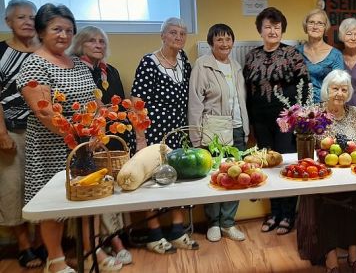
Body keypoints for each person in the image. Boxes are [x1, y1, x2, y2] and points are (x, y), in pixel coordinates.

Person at [18, 4, 121, 273]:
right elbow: (45, 113)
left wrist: (98, 130)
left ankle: (91, 251)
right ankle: (56, 260)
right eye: (56, 29)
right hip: (51, 146)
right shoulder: (34, 64)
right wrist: (77, 136)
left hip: (84, 146)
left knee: (90, 197)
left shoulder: (77, 63)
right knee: (54, 204)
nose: (63, 35)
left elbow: (93, 101)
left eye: (68, 30)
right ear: (41, 31)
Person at [131, 17, 198, 254]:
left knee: (178, 179)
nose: (178, 37)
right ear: (163, 35)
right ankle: (154, 234)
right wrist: (140, 139)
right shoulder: (149, 62)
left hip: (177, 131)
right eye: (173, 32)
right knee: (152, 182)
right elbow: (137, 103)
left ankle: (178, 230)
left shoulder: (184, 62)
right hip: (153, 132)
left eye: (182, 33)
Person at [68, 26, 133, 265]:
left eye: (101, 42)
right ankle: (99, 247)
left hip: (109, 140)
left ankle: (114, 240)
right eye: (91, 41)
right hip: (82, 139)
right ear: (79, 45)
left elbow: (121, 108)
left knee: (111, 189)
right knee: (93, 193)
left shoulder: (109, 71)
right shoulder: (74, 69)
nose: (98, 45)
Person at [243, 7, 309, 235]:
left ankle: (288, 214)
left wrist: (298, 118)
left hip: (285, 121)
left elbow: (304, 87)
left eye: (277, 27)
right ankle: (274, 212)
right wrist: (250, 123)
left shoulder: (292, 54)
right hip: (260, 121)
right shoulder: (252, 56)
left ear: (282, 30)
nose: (272, 31)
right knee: (266, 167)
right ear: (260, 30)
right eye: (268, 27)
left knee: (285, 165)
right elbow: (248, 91)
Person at [297, 70, 356, 273]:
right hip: (323, 175)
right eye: (335, 88)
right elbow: (306, 148)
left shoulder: (355, 112)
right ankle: (331, 260)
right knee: (327, 203)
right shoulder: (313, 113)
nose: (339, 93)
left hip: (352, 172)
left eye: (344, 89)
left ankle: (354, 256)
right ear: (327, 90)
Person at [188, 23, 249, 243]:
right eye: (219, 40)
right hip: (214, 129)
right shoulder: (202, 65)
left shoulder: (235, 66)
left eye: (228, 39)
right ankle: (213, 222)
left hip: (237, 128)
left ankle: (228, 223)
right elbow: (195, 103)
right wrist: (196, 136)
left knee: (236, 175)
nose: (224, 44)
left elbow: (240, 100)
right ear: (211, 43)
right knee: (215, 176)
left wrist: (246, 127)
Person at [0, 0, 42, 269]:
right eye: (21, 17)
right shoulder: (1, 52)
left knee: (42, 190)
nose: (27, 21)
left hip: (44, 134)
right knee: (12, 188)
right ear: (8, 22)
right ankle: (25, 247)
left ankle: (43, 244)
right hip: (12, 131)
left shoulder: (45, 51)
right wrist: (1, 132)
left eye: (32, 17)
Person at [296, 9, 344, 103]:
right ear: (306, 26)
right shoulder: (295, 52)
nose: (315, 27)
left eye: (320, 23)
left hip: (327, 109)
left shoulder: (336, 55)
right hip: (299, 109)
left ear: (325, 28)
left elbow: (339, 87)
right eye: (311, 22)